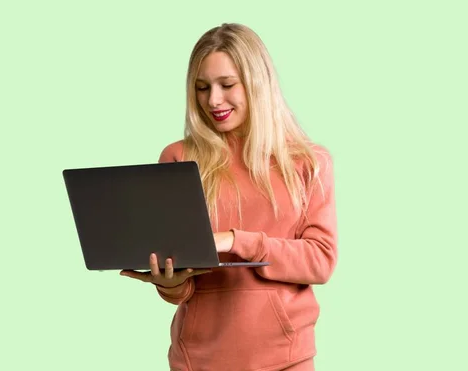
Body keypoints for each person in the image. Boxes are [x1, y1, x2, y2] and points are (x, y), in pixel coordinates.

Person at [120, 23, 338, 371]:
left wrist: (238, 241)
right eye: (202, 88)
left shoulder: (308, 163)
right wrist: (170, 283)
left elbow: (320, 260)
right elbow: (182, 285)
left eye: (227, 85)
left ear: (257, 83)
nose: (213, 100)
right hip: (199, 360)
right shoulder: (179, 159)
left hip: (287, 358)